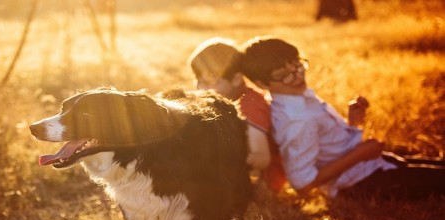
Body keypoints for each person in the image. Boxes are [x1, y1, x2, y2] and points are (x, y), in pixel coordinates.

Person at [240, 36, 445, 200]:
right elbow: (302, 182)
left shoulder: (299, 97)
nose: (298, 75)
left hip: (372, 165)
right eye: (285, 74)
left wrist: (354, 124)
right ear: (262, 83)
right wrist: (359, 154)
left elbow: (329, 147)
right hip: (362, 183)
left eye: (297, 65)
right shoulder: (295, 120)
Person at [188, 37, 286, 192]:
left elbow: (261, 158)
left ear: (236, 79)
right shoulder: (219, 99)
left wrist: (221, 163)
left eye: (210, 82)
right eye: (198, 81)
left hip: (262, 180)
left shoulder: (250, 105)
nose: (202, 88)